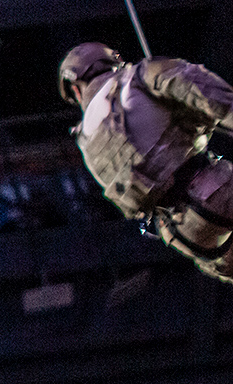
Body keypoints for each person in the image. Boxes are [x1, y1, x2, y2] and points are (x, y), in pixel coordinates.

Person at [59, 41, 233, 278]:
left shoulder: (85, 141)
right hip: (215, 190)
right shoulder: (138, 77)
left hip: (184, 233)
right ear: (113, 62)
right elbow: (214, 98)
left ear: (76, 90)